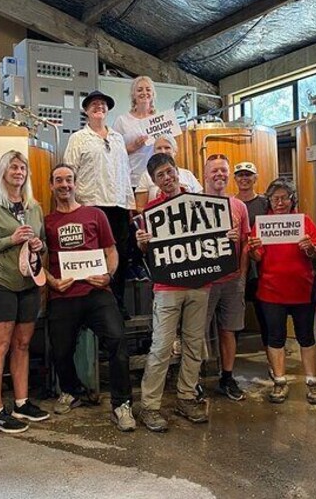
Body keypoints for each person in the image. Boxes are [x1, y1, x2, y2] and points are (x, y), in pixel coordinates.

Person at [44, 164, 136, 432]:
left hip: (97, 292)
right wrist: (52, 282)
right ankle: (71, 391)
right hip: (63, 294)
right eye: (59, 180)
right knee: (60, 349)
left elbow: (111, 250)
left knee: (118, 340)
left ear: (76, 183)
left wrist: (109, 274)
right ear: (52, 186)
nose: (64, 185)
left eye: (69, 180)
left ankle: (122, 404)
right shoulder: (47, 222)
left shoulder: (95, 214)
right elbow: (40, 260)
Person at [136, 153, 219, 432]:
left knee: (195, 344)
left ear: (178, 172)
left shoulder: (199, 204)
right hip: (167, 287)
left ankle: (186, 397)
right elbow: (147, 253)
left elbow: (216, 237)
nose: (167, 178)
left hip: (199, 284)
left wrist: (228, 237)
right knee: (161, 347)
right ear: (153, 180)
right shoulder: (151, 211)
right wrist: (143, 244)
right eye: (161, 175)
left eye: (170, 172)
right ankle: (149, 405)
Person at [0, 150, 50, 434]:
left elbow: (42, 244)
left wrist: (40, 246)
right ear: (3, 171)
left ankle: (21, 402)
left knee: (23, 345)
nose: (19, 171)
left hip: (28, 283)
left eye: (22, 167)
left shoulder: (34, 207)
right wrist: (10, 239)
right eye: (13, 167)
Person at [247, 179, 316, 405]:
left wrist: (310, 247)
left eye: (284, 198)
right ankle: (279, 381)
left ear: (292, 200)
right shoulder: (262, 224)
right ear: (269, 201)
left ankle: (312, 381)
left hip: (302, 290)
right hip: (271, 291)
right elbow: (258, 257)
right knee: (275, 338)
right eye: (275, 198)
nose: (280, 202)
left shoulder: (304, 222)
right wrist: (252, 251)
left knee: (306, 337)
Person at [64, 90, 135, 313]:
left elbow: (125, 172)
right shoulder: (78, 138)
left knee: (121, 257)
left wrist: (129, 204)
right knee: (94, 257)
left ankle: (118, 304)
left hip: (118, 206)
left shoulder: (117, 138)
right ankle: (94, 305)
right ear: (86, 110)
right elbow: (69, 171)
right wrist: (71, 207)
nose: (99, 107)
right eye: (94, 104)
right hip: (90, 205)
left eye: (103, 104)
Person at [203, 154, 251, 401]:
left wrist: (242, 275)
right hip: (205, 281)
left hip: (231, 280)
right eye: (214, 171)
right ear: (205, 174)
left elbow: (245, 243)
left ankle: (227, 377)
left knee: (229, 330)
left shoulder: (239, 206)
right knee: (196, 331)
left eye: (223, 170)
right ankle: (195, 380)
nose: (219, 175)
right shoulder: (195, 204)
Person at [233, 161, 270, 321]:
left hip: (261, 264)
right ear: (235, 179)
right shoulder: (230, 203)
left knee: (262, 309)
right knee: (235, 308)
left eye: (248, 175)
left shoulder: (265, 203)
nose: (244, 178)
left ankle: (269, 345)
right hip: (237, 263)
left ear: (255, 178)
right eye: (240, 175)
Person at [134, 134, 202, 210]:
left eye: (167, 148)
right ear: (154, 180)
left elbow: (201, 200)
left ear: (175, 150)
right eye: (159, 148)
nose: (163, 151)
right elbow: (141, 208)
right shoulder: (146, 176)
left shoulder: (188, 174)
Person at [113, 75, 156, 189]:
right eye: (139, 89)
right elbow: (113, 152)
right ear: (133, 95)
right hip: (130, 179)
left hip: (155, 180)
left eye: (148, 89)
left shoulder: (160, 120)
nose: (144, 92)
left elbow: (169, 148)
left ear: (153, 94)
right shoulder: (122, 120)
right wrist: (132, 147)